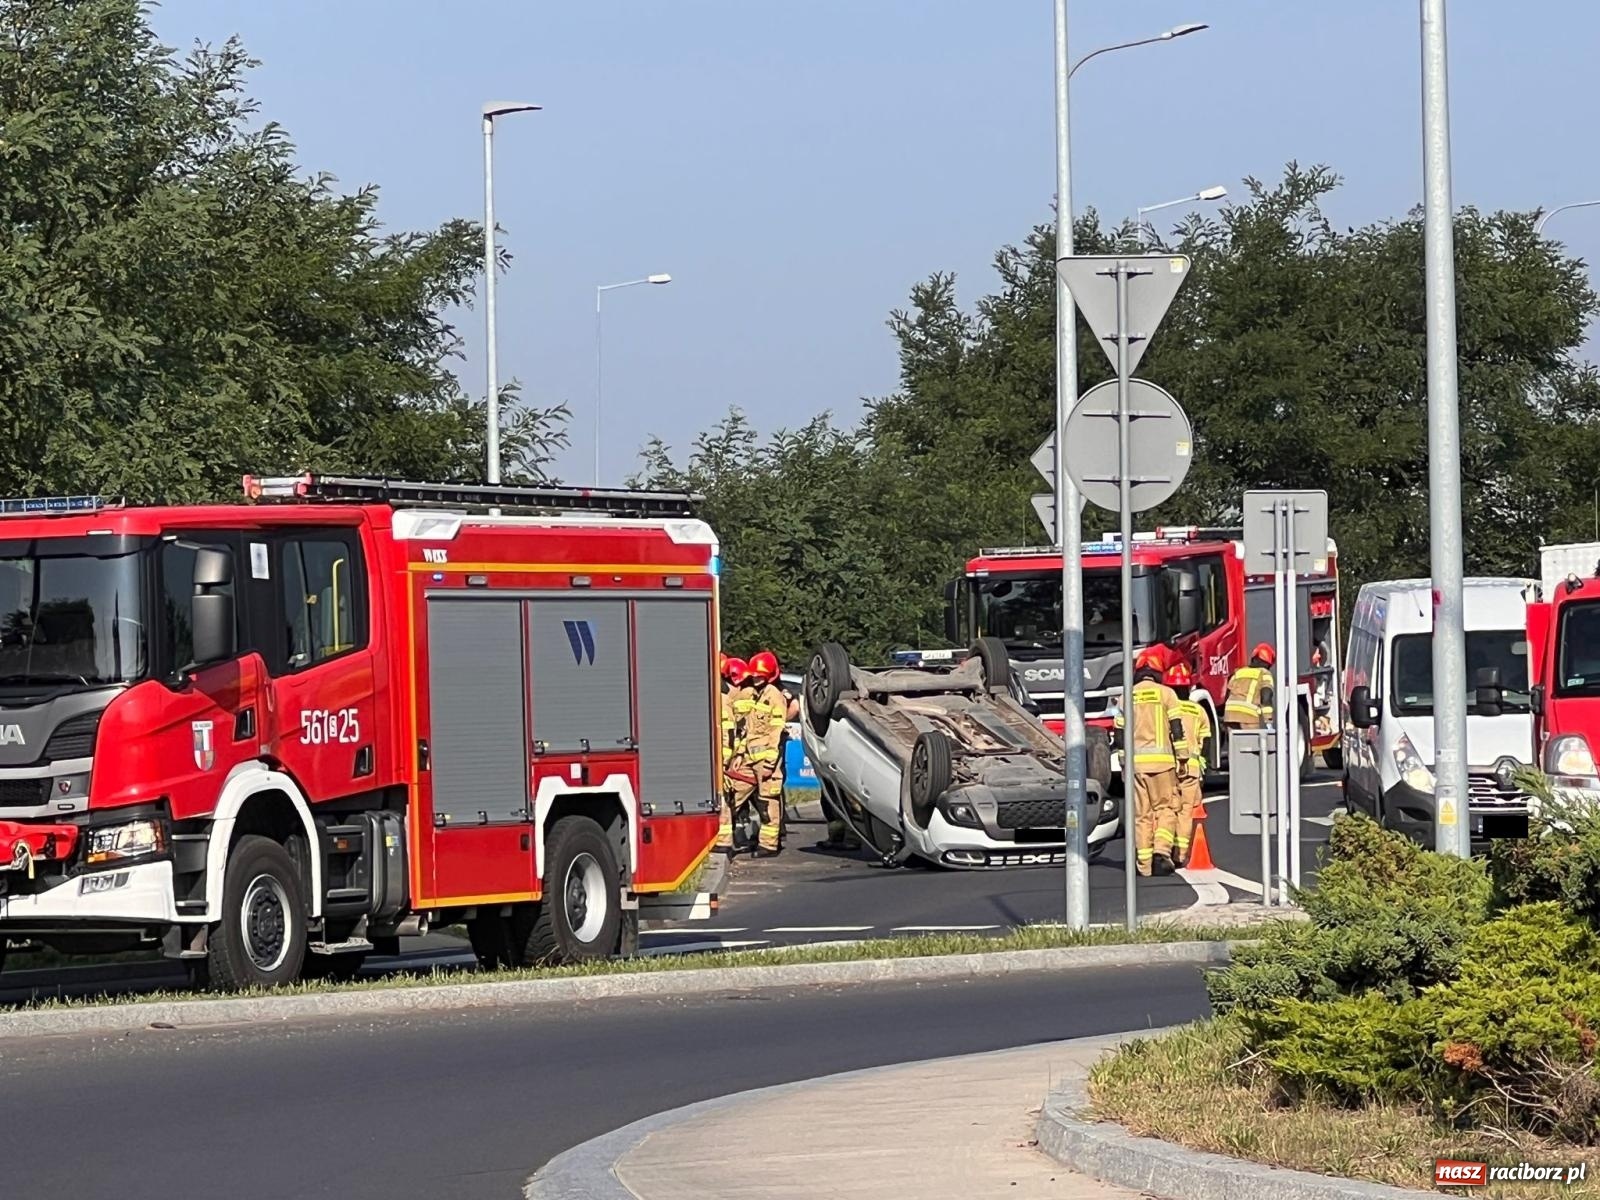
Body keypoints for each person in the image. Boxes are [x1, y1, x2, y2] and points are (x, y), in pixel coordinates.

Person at [1113, 648, 1185, 876]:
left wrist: (1124, 764)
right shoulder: (1167, 695)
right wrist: (1182, 758)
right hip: (1163, 765)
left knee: (1141, 815)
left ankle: (1143, 866)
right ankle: (1161, 852)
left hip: (1136, 766)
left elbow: (1119, 735)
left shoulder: (1126, 697)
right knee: (1166, 808)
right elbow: (1177, 729)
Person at [1164, 661, 1212, 868]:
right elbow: (1206, 741)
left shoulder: (1166, 709)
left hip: (1168, 767)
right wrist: (1204, 766)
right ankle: (1180, 854)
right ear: (1189, 687)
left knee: (1165, 809)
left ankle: (1163, 850)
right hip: (1191, 769)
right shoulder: (1198, 710)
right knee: (1185, 812)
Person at [743, 650, 788, 856]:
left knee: (768, 800)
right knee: (736, 794)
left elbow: (775, 731)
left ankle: (769, 845)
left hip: (765, 761)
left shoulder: (775, 697)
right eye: (754, 674)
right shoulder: (756, 694)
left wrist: (770, 762)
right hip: (749, 758)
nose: (755, 677)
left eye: (760, 675)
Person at [717, 656, 753, 853]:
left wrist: (725, 760)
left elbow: (729, 733)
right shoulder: (729, 697)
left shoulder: (724, 700)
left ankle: (724, 841)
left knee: (726, 798)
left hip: (735, 758)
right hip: (739, 756)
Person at [1224, 643, 1276, 732]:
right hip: (1248, 717)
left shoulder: (1238, 672)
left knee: (1235, 744)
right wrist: (1268, 721)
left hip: (1230, 716)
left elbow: (1227, 695)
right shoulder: (1264, 673)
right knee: (1250, 744)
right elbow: (1266, 697)